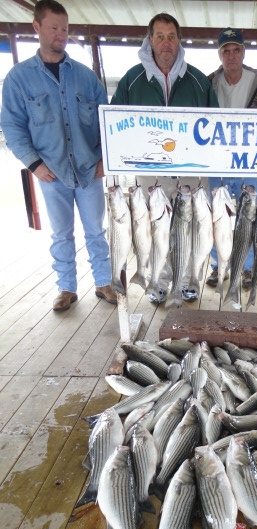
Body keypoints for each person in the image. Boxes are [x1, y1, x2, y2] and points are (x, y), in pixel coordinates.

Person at [1, 0, 116, 311]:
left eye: (64, 29)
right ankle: (66, 287)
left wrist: (104, 159)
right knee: (61, 233)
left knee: (96, 230)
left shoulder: (86, 77)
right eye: (54, 28)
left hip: (89, 169)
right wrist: (33, 164)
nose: (61, 34)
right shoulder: (18, 78)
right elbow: (11, 125)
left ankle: (104, 281)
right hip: (50, 171)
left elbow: (106, 121)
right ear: (36, 27)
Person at [111, 12, 218, 303]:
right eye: (160, 36)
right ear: (150, 39)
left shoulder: (198, 80)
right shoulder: (132, 80)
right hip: (151, 171)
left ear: (179, 40)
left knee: (192, 228)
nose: (166, 43)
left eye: (171, 37)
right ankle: (158, 281)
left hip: (191, 171)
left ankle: (188, 280)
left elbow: (215, 125)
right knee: (155, 228)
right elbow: (114, 123)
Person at [205, 27, 257, 290]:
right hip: (218, 161)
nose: (231, 55)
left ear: (243, 52)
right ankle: (219, 265)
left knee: (251, 215)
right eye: (226, 50)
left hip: (250, 161)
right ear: (219, 54)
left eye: (236, 50)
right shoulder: (210, 81)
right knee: (218, 215)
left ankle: (248, 267)